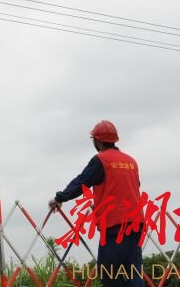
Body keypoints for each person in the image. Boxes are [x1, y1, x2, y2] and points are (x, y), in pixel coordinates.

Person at [49, 120, 143, 287]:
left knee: (108, 273)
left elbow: (82, 182)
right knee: (133, 272)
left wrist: (59, 198)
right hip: (136, 225)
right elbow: (134, 187)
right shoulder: (131, 162)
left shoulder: (101, 161)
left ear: (98, 141)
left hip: (115, 226)